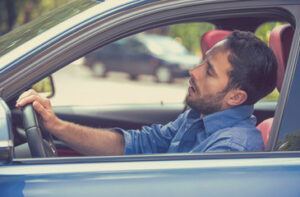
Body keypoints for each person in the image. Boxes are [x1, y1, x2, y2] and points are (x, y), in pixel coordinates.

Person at [16, 30, 277, 156]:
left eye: (209, 71)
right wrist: (57, 126)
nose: (193, 71)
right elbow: (132, 145)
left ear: (235, 97)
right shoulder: (197, 117)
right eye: (202, 61)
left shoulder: (231, 150)